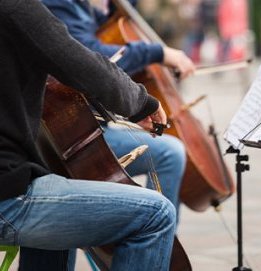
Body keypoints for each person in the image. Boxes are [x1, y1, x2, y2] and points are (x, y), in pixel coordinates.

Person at [0, 0, 177, 270]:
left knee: (56, 206)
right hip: (7, 195)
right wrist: (141, 103)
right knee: (157, 213)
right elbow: (76, 60)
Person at [41, 0, 196, 212]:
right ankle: (157, 234)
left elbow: (106, 35)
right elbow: (93, 59)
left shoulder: (85, 7)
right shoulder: (59, 4)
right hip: (70, 130)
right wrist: (157, 53)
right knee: (171, 153)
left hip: (89, 122)